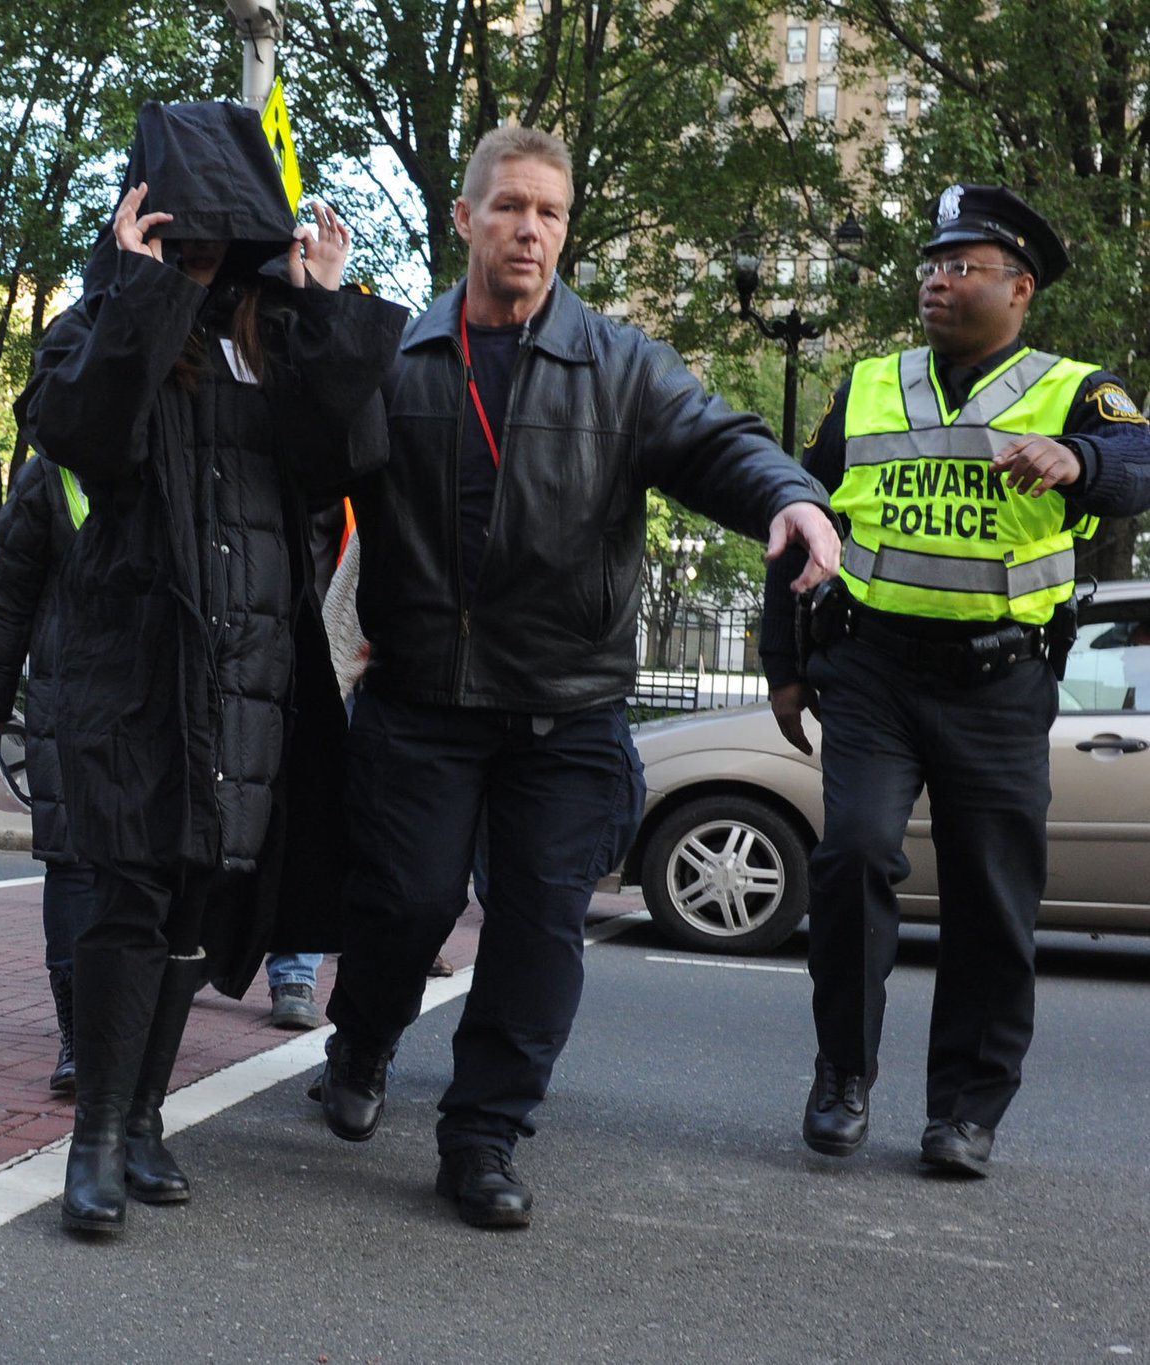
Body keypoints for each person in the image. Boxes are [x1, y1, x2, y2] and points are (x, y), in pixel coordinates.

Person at [317, 124, 841, 1229]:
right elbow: (305, 468)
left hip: (564, 711)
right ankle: (361, 1039)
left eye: (549, 212)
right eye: (507, 206)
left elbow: (718, 441)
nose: (528, 229)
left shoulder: (620, 362)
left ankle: (484, 1135)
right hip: (418, 701)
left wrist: (785, 497)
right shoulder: (398, 356)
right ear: (461, 219)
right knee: (403, 905)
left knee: (538, 930)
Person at [15, 100, 406, 1236]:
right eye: (178, 244)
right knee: (126, 900)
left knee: (196, 909)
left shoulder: (268, 354)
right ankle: (94, 1142)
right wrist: (141, 290)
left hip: (248, 682)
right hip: (133, 679)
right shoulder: (98, 329)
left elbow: (351, 456)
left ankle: (141, 1118)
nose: (200, 268)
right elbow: (85, 435)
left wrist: (321, 309)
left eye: (212, 250)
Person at [761, 184, 1150, 1178]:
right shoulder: (866, 384)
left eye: (961, 266)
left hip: (999, 681)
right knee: (848, 856)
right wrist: (784, 664)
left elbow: (1139, 457)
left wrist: (1077, 459)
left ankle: (963, 1115)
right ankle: (840, 1077)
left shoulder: (1074, 388)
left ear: (1017, 288)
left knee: (989, 897)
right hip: (870, 671)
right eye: (930, 265)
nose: (936, 280)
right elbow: (796, 519)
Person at [0, 456, 98, 1095]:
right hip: (66, 693)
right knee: (71, 856)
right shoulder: (50, 471)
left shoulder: (182, 433)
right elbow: (12, 592)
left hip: (160, 691)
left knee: (150, 865)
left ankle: (129, 1026)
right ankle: (77, 1035)